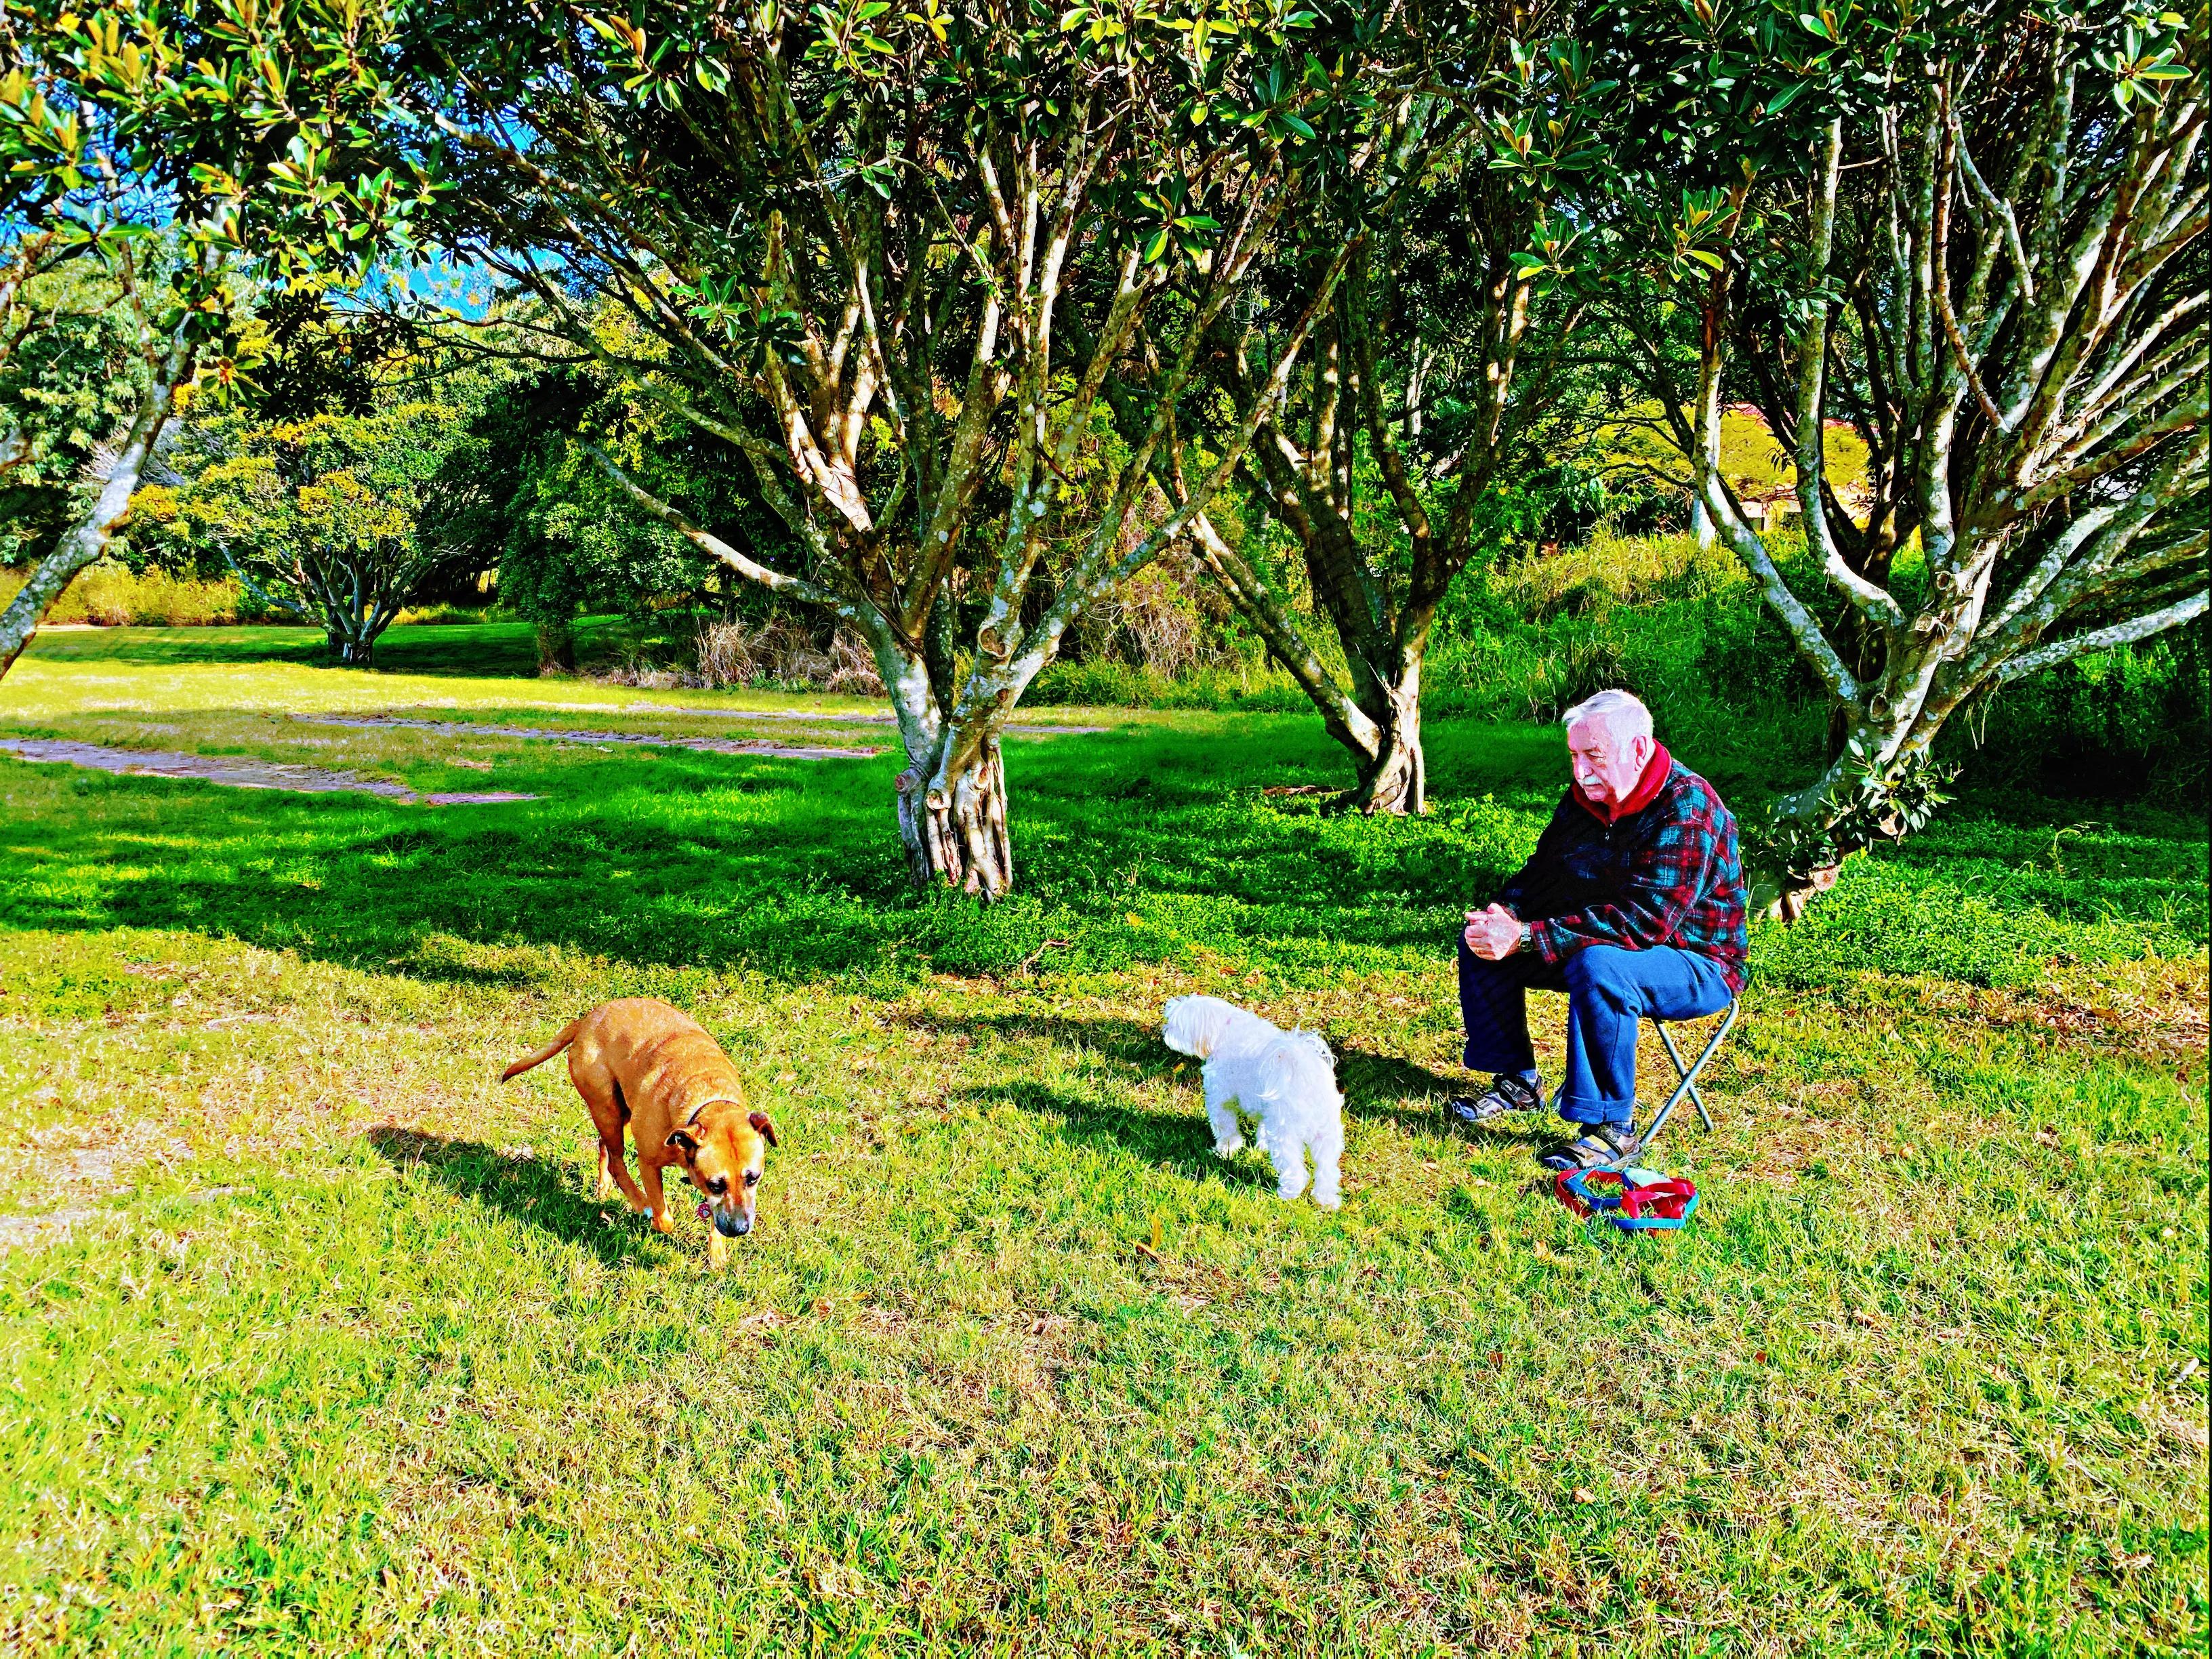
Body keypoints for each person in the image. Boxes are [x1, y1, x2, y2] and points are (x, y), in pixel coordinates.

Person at [1450, 689, 1747, 1169]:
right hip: (1605, 941)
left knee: (1599, 965)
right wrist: (1503, 914)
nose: (1579, 772)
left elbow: (1644, 921)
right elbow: (1544, 871)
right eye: (1573, 756)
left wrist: (1526, 935)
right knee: (1481, 941)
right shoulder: (1585, 798)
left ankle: (1612, 1128)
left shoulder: (1688, 809)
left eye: (1593, 757)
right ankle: (1519, 1081)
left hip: (1698, 961)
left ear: (1638, 750)